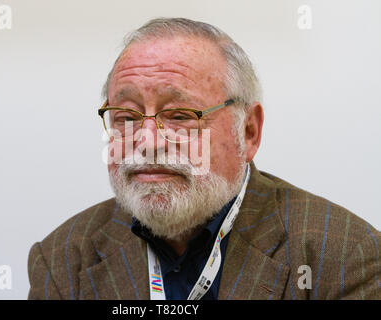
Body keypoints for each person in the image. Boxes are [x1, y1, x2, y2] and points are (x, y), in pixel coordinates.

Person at [27, 17, 380, 300]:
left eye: (180, 115)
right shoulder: (63, 259)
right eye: (127, 116)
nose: (147, 142)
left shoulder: (343, 255)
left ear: (249, 131)